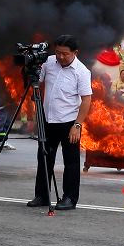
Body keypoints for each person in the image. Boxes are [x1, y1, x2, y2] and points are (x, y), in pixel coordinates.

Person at [27, 35, 92, 211]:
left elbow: (86, 100)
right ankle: (41, 195)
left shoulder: (82, 71)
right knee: (44, 158)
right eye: (57, 53)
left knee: (70, 162)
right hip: (48, 120)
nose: (60, 57)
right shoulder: (49, 62)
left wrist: (77, 125)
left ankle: (69, 198)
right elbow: (36, 81)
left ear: (75, 53)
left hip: (69, 122)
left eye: (65, 54)